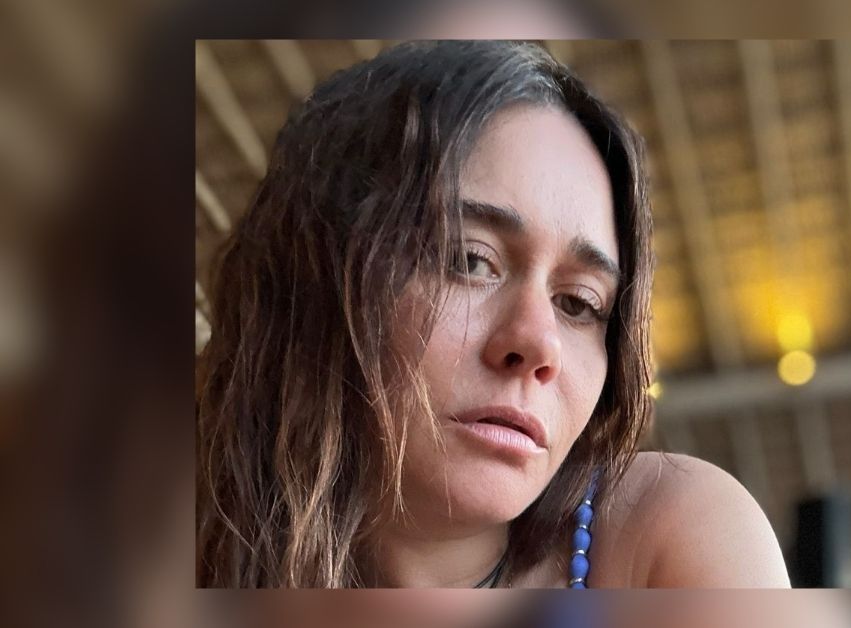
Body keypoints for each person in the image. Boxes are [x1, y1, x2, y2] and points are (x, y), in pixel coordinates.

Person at [196, 40, 789, 588]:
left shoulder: (668, 537)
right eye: (469, 261)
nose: (538, 344)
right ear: (319, 273)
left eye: (579, 303)